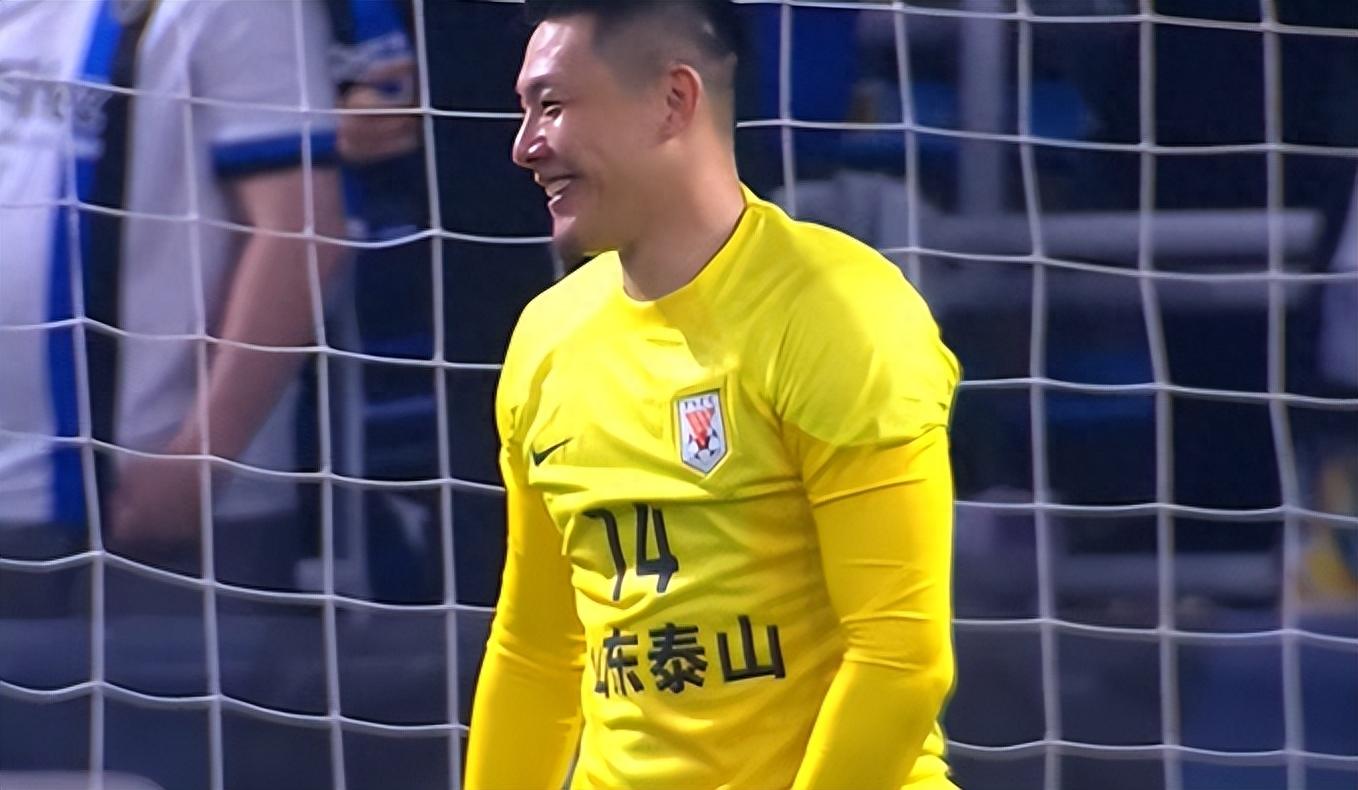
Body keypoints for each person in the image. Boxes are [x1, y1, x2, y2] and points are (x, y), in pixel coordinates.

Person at [465, 1, 961, 788]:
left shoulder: (838, 314)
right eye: (524, 111)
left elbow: (900, 659)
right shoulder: (546, 339)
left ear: (674, 101)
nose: (525, 147)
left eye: (552, 106)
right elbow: (536, 650)